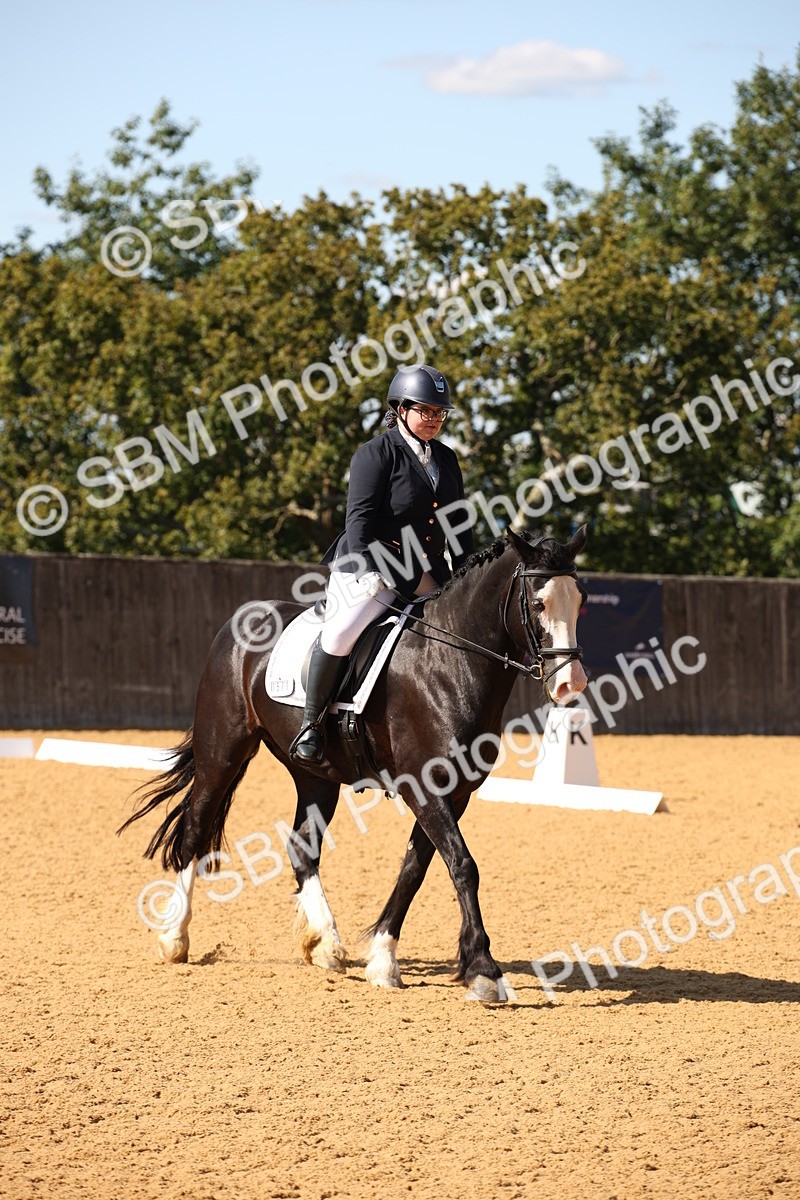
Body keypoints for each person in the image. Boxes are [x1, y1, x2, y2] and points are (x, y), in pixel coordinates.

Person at [290, 363, 475, 764]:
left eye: (439, 413)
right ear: (401, 408)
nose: (434, 420)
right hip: (368, 562)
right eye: (426, 411)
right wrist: (368, 570)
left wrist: (467, 575)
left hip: (423, 569)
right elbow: (358, 522)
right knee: (341, 633)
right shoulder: (375, 453)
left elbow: (458, 524)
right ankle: (311, 724)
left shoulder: (445, 458)